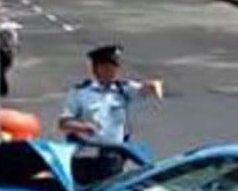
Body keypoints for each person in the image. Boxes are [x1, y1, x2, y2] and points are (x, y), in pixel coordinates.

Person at [58, 44, 163, 181]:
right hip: (85, 156)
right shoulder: (80, 93)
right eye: (107, 68)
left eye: (114, 68)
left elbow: (144, 89)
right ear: (96, 69)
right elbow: (64, 123)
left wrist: (154, 86)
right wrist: (83, 127)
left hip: (113, 157)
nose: (112, 72)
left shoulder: (123, 90)